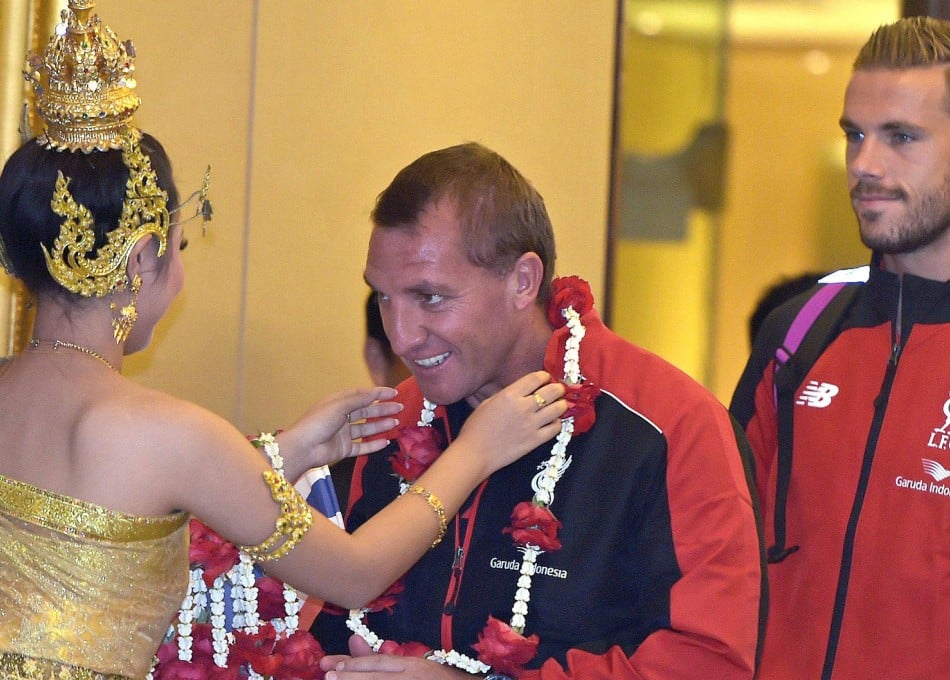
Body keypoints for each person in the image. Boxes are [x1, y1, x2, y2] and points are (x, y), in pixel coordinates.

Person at [0, 4, 567, 678]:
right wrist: (475, 451)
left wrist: (287, 449)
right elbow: (354, 574)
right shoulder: (166, 431)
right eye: (180, 248)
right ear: (141, 259)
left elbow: (124, 503)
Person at [312, 142, 763, 679]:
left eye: (429, 297)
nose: (402, 338)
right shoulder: (393, 422)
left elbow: (708, 663)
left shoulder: (671, 427)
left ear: (523, 281)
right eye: (384, 297)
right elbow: (317, 619)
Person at [730, 16, 950, 678]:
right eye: (855, 135)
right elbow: (717, 557)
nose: (864, 164)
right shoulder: (800, 330)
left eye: (901, 138)